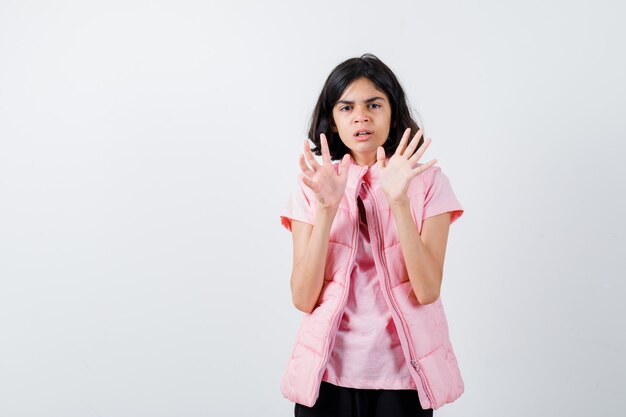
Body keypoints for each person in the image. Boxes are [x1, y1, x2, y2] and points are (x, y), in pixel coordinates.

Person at [279, 53, 465, 417]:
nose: (360, 116)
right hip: (326, 378)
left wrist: (398, 200)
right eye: (346, 107)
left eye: (374, 104)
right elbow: (303, 298)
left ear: (392, 112)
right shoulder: (312, 187)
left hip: (405, 381)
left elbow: (427, 290)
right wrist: (327, 209)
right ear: (331, 121)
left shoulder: (428, 183)